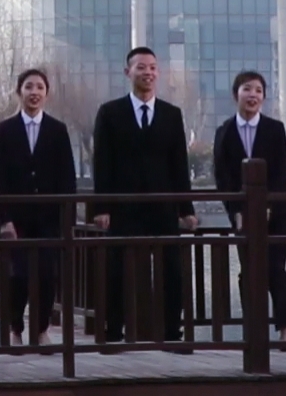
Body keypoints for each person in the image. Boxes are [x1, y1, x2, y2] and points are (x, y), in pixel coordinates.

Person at [91, 47, 197, 350]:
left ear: (158, 73)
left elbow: (179, 165)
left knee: (171, 271)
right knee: (117, 270)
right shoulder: (110, 112)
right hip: (123, 207)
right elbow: (102, 164)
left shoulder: (171, 114)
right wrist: (102, 207)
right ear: (128, 72)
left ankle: (172, 333)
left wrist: (186, 209)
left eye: (152, 67)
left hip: (163, 207)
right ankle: (113, 333)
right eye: (141, 67)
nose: (147, 72)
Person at [0, 68, 76, 345]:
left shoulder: (57, 130)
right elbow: (2, 178)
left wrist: (67, 219)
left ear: (46, 94)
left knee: (47, 276)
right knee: (18, 275)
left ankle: (41, 330)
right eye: (29, 87)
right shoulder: (5, 130)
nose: (34, 92)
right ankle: (15, 328)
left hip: (49, 217)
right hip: (18, 217)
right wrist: (4, 218)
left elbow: (67, 177)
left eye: (40, 87)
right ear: (19, 92)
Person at [212, 70, 286, 335]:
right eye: (247, 89)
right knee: (249, 272)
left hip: (277, 212)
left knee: (275, 269)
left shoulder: (275, 129)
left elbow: (280, 171)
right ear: (236, 94)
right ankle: (253, 330)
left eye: (258, 90)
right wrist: (235, 210)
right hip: (243, 215)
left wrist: (268, 206)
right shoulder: (224, 132)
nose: (253, 95)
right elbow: (222, 177)